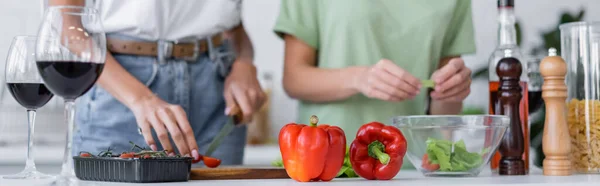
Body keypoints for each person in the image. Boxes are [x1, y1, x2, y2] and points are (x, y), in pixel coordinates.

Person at [50, 0, 265, 165]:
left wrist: (244, 62)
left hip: (217, 95)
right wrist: (140, 98)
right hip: (121, 93)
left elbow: (233, 26)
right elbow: (66, 26)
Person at [274, 0, 475, 141]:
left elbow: (442, 113)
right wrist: (358, 79)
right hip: (328, 160)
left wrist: (451, 91)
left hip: (411, 163)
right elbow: (294, 79)